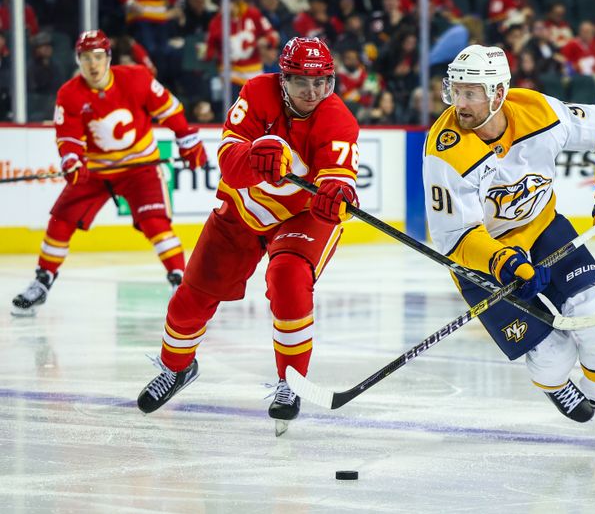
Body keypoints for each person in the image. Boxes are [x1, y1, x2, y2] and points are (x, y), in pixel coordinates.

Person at [423, 44, 595, 453]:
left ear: (498, 93)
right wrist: (502, 261)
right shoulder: (445, 152)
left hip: (543, 227)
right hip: (484, 255)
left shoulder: (540, 112)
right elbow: (454, 238)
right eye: (455, 91)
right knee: (553, 355)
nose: (458, 103)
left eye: (470, 93)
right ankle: (554, 384)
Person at [136, 37, 360, 436]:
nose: (313, 92)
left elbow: (339, 179)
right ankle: (177, 367)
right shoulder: (257, 92)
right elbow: (229, 164)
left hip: (300, 215)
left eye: (322, 82)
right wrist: (259, 153)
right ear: (283, 79)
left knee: (289, 278)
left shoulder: (338, 118)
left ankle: (290, 383)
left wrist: (337, 195)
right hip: (242, 208)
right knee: (192, 297)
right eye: (302, 82)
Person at [10, 29, 207, 317]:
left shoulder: (136, 78)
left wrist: (186, 137)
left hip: (140, 167)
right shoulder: (70, 93)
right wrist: (71, 160)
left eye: (98, 56)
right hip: (96, 171)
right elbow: (69, 138)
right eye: (86, 57)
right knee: (61, 220)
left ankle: (183, 283)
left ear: (108, 57)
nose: (93, 64)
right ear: (78, 60)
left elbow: (169, 108)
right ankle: (42, 281)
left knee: (155, 223)